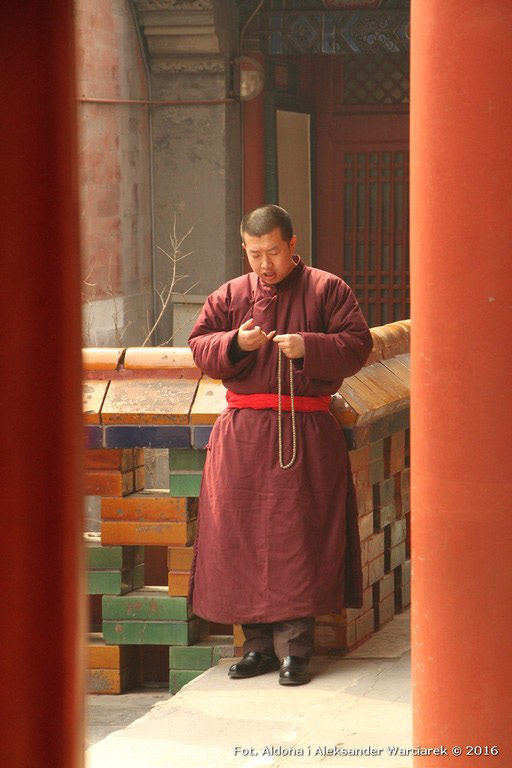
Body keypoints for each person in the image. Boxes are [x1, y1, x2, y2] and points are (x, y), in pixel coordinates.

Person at [187, 204, 373, 685]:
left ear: (292, 244)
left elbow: (358, 344)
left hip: (303, 430)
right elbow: (200, 346)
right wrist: (236, 344)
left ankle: (295, 651)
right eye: (254, 254)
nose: (264, 264)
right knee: (242, 539)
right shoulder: (230, 295)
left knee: (299, 540)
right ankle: (256, 647)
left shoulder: (328, 289)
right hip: (243, 434)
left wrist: (310, 346)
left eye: (272, 252)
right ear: (244, 250)